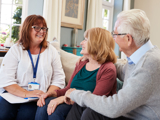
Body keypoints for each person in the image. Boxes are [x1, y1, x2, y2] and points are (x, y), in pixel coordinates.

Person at [64, 9, 160, 120]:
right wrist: (94, 58)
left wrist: (76, 94)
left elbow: (114, 107)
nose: (113, 39)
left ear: (128, 38)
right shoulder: (139, 59)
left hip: (137, 117)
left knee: (90, 113)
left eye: (115, 34)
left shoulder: (149, 65)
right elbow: (121, 70)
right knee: (80, 107)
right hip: (127, 114)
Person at [35, 27, 117, 120]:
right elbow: (68, 88)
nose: (81, 43)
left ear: (97, 44)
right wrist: (51, 94)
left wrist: (63, 98)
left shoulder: (108, 69)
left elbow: (94, 100)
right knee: (44, 103)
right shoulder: (81, 63)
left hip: (87, 108)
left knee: (57, 111)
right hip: (72, 101)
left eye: (86, 40)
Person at [0, 15, 65, 120]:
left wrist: (47, 94)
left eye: (44, 28)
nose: (42, 31)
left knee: (25, 116)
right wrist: (26, 93)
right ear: (27, 29)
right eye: (37, 28)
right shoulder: (16, 50)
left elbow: (59, 79)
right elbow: (6, 80)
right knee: (3, 114)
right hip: (13, 95)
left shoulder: (51, 51)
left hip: (38, 98)